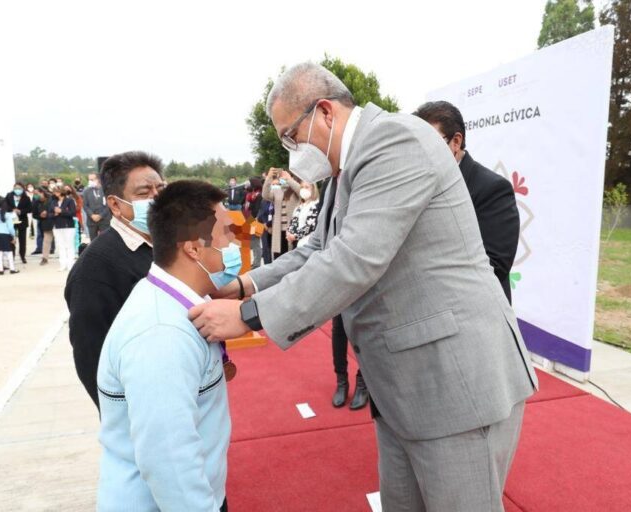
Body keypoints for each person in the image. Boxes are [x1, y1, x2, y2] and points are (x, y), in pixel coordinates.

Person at [189, 62, 537, 511]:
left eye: (292, 135)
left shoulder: (396, 140)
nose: (292, 150)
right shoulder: (345, 168)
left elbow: (353, 258)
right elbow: (316, 249)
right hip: (402, 388)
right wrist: (244, 286)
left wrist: (247, 317)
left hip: (454, 382)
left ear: (326, 112)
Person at [96, 180, 234, 512]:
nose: (234, 243)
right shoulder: (161, 333)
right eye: (227, 234)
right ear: (194, 249)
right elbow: (169, 463)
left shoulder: (174, 303)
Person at [65, 151, 163, 409]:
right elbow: (91, 355)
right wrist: (121, 415)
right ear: (116, 205)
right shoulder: (95, 268)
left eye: (160, 189)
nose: (156, 198)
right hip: (140, 407)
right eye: (144, 193)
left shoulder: (165, 247)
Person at [414, 101, 520, 303]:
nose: (421, 154)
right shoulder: (420, 184)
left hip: (478, 317)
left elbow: (494, 266)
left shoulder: (493, 189)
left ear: (456, 141)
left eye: (429, 145)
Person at [261, 168, 301, 259]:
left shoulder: (294, 190)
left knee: (291, 258)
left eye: (284, 175)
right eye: (281, 176)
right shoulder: (277, 190)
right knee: (279, 257)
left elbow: (300, 191)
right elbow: (265, 195)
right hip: (278, 231)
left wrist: (289, 179)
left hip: (291, 231)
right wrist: (268, 178)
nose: (282, 178)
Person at [50, 185, 77, 271]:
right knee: (60, 245)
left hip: (68, 226)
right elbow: (49, 213)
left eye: (57, 191)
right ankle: (62, 264)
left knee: (69, 245)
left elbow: (72, 212)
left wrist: (61, 211)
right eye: (54, 191)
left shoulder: (70, 200)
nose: (55, 193)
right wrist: (54, 214)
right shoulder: (53, 201)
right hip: (57, 226)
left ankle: (70, 264)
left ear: (62, 192)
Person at [5, 182, 32, 264]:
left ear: (23, 189)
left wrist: (21, 211)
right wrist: (12, 210)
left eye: (19, 188)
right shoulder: (9, 196)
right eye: (16, 188)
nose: (17, 190)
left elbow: (30, 208)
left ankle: (22, 256)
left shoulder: (26, 198)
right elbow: (5, 205)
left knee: (22, 240)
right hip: (11, 221)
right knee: (11, 239)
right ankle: (11, 256)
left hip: (22, 220)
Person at [287, 181, 319, 248]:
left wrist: (295, 236)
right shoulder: (299, 207)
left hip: (308, 243)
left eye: (307, 187)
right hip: (297, 242)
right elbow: (293, 221)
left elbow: (310, 226)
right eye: (302, 187)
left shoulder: (315, 205)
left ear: (313, 189)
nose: (304, 189)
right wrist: (289, 232)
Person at [82, 173, 111, 241]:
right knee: (93, 242)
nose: (90, 181)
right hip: (91, 221)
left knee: (106, 240)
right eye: (89, 180)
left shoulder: (106, 190)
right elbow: (85, 205)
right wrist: (92, 215)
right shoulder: (86, 191)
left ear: (98, 180)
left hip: (104, 220)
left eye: (92, 179)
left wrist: (100, 215)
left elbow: (109, 205)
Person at [32, 187, 55, 265]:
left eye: (37, 193)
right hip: (45, 224)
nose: (35, 195)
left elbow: (55, 210)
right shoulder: (36, 202)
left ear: (42, 192)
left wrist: (48, 214)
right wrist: (40, 216)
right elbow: (34, 215)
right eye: (34, 194)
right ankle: (45, 258)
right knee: (46, 241)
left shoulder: (52, 199)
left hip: (56, 222)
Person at [245, 177, 264, 269]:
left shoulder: (259, 196)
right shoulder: (251, 195)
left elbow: (255, 210)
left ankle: (257, 264)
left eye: (249, 184)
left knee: (255, 242)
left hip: (255, 221)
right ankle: (255, 262)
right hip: (250, 220)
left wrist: (249, 221)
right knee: (253, 242)